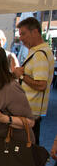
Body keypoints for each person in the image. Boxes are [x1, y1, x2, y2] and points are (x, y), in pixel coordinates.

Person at [12, 17, 55, 146]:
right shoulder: (38, 51)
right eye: (20, 35)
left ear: (35, 32)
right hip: (29, 111)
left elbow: (41, 85)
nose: (21, 38)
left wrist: (21, 75)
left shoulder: (40, 54)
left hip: (30, 112)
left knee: (27, 149)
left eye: (23, 34)